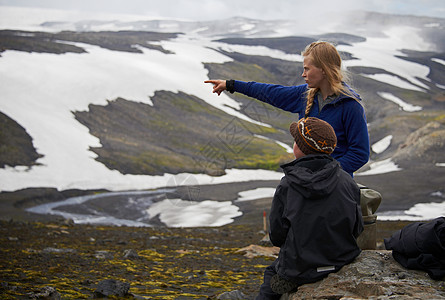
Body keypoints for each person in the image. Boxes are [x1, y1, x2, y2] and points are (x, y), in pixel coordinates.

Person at [205, 41, 370, 176]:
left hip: (334, 187)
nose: (303, 74)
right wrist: (231, 85)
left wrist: (328, 173)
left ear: (324, 70)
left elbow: (360, 153)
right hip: (305, 180)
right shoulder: (305, 95)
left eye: (307, 69)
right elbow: (270, 92)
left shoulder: (351, 106)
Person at [257, 117, 364, 299]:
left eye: (296, 140)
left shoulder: (288, 185)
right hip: (341, 261)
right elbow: (357, 228)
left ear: (300, 148)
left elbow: (276, 235)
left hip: (299, 269)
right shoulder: (347, 181)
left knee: (271, 276)